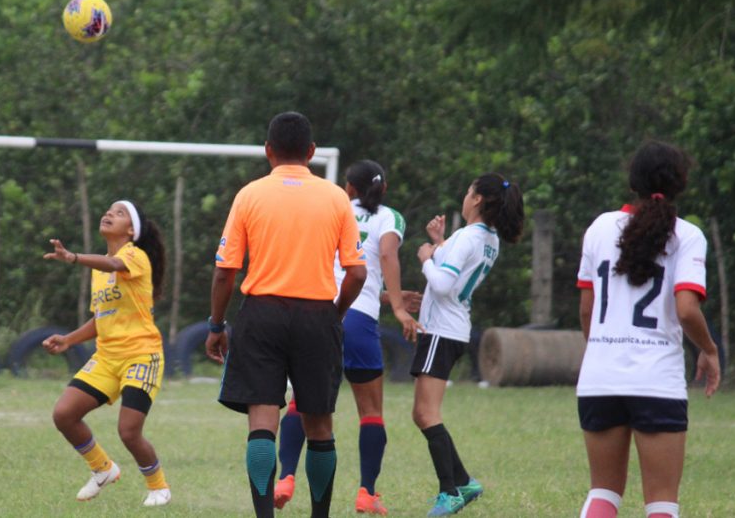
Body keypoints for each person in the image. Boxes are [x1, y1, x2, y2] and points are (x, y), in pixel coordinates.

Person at [206, 111, 368, 518]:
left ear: (268, 151)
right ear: (312, 152)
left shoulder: (249, 195)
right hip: (317, 315)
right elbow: (358, 272)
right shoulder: (335, 197)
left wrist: (215, 324)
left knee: (262, 418)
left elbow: (226, 271)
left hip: (262, 314)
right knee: (319, 424)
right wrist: (335, 313)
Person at [574, 141, 720, 518]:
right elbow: (687, 310)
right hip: (655, 380)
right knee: (661, 502)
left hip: (599, 378)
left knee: (603, 493)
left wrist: (604, 351)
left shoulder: (599, 228)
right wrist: (709, 348)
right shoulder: (687, 235)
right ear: (680, 183)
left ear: (632, 181)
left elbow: (587, 309)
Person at [272, 159, 422, 515]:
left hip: (319, 312)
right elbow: (384, 254)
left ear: (349, 188)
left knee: (301, 402)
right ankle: (367, 493)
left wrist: (389, 298)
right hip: (358, 319)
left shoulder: (329, 206)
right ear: (382, 189)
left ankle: (286, 477)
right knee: (371, 411)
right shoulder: (391, 217)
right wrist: (398, 307)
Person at [41, 200, 171, 507]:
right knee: (64, 414)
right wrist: (70, 340)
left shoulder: (134, 256)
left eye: (120, 212)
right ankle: (102, 469)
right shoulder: (98, 269)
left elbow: (114, 265)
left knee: (128, 431)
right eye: (110, 209)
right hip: (107, 357)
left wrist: (72, 257)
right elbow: (102, 317)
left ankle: (159, 486)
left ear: (131, 230)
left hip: (142, 354)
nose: (110, 214)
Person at [412, 173, 524, 516]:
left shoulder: (470, 237)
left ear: (476, 199)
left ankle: (449, 492)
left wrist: (426, 257)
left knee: (425, 413)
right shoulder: (487, 238)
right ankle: (463, 482)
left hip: (442, 331)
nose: (465, 194)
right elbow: (458, 271)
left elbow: (444, 284)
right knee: (423, 413)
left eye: (468, 189)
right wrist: (442, 242)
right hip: (453, 329)